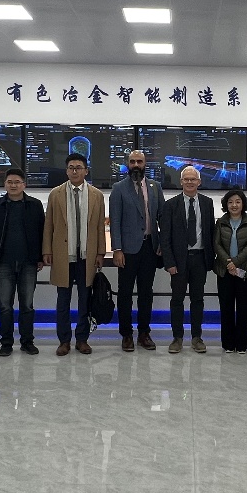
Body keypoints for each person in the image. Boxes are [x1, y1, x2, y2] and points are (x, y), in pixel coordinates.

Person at [42, 153, 106, 356]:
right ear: (66, 171)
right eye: (71, 167)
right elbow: (49, 225)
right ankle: (64, 341)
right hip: (64, 255)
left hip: (87, 256)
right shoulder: (56, 194)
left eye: (78, 167)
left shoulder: (96, 195)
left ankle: (82, 339)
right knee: (63, 301)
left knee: (85, 300)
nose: (75, 171)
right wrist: (47, 250)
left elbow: (99, 227)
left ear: (86, 171)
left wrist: (101, 252)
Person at [109, 149, 164, 352]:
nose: (136, 165)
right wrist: (117, 249)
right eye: (132, 161)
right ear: (127, 164)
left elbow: (162, 218)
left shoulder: (155, 187)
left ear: (145, 164)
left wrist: (162, 244)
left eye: (139, 161)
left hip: (150, 248)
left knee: (146, 294)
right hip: (127, 251)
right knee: (125, 294)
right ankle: (126, 334)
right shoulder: (118, 188)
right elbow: (115, 221)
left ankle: (144, 333)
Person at [0, 167, 45, 356]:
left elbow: (42, 232)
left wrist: (40, 257)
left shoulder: (35, 205)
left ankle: (27, 342)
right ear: (5, 184)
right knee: (5, 306)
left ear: (24, 185)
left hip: (28, 263)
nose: (13, 185)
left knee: (27, 305)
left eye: (17, 182)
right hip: (3, 263)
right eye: (10, 182)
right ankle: (6, 343)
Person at [159, 165, 216, 353]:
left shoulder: (207, 203)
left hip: (200, 259)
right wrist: (169, 262)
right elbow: (165, 237)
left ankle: (196, 338)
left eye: (193, 179)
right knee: (177, 300)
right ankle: (177, 338)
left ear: (199, 182)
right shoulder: (171, 205)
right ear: (181, 181)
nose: (190, 182)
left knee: (198, 300)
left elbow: (210, 232)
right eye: (186, 179)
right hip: (178, 261)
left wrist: (211, 259)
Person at [213, 189, 247, 353]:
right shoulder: (220, 222)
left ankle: (241, 345)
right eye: (231, 202)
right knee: (226, 308)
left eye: (238, 202)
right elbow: (216, 244)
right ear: (226, 204)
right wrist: (228, 263)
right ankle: (228, 344)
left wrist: (236, 262)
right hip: (224, 271)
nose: (234, 205)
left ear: (243, 204)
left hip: (245, 271)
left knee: (244, 309)